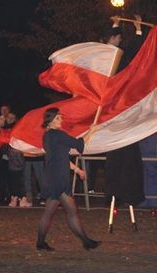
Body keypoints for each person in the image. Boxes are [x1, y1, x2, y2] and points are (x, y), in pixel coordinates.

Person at [37, 108, 101, 251]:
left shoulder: (47, 136)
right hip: (58, 178)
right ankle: (86, 242)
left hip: (53, 176)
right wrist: (92, 130)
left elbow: (61, 158)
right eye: (58, 118)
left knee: (50, 212)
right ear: (51, 120)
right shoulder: (58, 135)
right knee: (71, 210)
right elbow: (79, 144)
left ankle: (40, 243)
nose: (61, 120)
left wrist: (77, 170)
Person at [103, 16, 146, 208]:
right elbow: (127, 52)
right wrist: (125, 27)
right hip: (114, 110)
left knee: (126, 154)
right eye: (117, 37)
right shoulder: (107, 57)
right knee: (118, 154)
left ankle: (126, 193)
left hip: (121, 110)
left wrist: (125, 27)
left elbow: (132, 55)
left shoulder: (117, 56)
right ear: (111, 39)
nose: (120, 40)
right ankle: (116, 194)